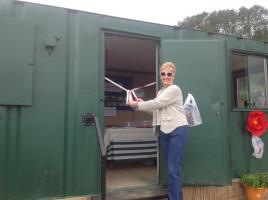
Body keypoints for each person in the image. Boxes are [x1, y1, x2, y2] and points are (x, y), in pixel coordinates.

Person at [128, 61, 189, 200]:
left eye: (169, 74)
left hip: (178, 130)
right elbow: (157, 109)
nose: (166, 76)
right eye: (163, 74)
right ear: (160, 75)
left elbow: (158, 103)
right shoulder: (161, 91)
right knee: (172, 170)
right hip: (165, 132)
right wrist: (141, 103)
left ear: (173, 76)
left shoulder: (175, 89)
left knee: (173, 170)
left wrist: (138, 104)